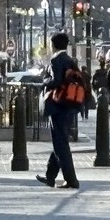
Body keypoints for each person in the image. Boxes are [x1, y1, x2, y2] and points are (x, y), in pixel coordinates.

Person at [36, 32, 80, 189]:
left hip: (57, 106)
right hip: (69, 105)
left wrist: (44, 80)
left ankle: (71, 179)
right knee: (60, 142)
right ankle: (50, 177)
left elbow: (56, 80)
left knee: (61, 145)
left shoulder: (56, 59)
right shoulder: (70, 60)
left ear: (53, 44)